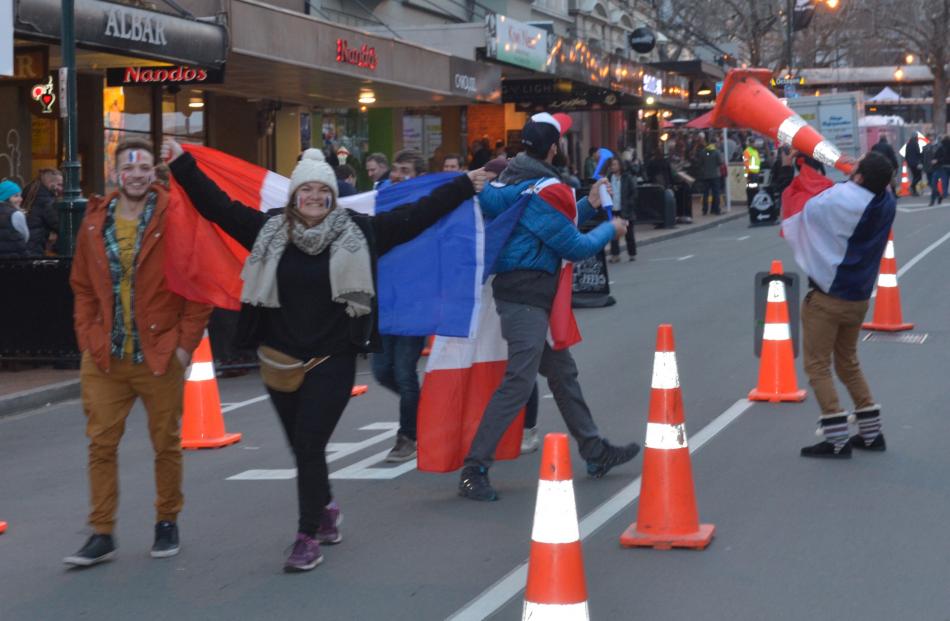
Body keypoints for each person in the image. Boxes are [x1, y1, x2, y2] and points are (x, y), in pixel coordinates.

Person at [162, 138, 485, 571]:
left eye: (322, 191)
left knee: (311, 445)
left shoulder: (360, 231)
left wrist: (464, 184)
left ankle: (305, 536)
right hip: (278, 360)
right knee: (303, 448)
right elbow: (216, 206)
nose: (314, 198)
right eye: (306, 191)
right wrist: (182, 164)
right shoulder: (268, 230)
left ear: (333, 195)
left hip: (332, 360)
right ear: (295, 195)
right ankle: (325, 508)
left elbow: (416, 215)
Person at [458, 112, 640, 501]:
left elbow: (546, 219)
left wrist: (588, 205)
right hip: (525, 298)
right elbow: (573, 244)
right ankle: (474, 467)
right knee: (520, 381)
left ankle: (594, 450)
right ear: (554, 148)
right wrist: (611, 228)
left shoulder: (515, 178)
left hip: (523, 295)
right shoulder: (543, 188)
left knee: (563, 373)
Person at [64, 137, 213, 567]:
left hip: (160, 354)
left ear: (155, 172)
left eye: (144, 167)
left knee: (165, 443)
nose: (136, 174)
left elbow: (197, 286)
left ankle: (167, 521)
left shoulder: (177, 217)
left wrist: (184, 347)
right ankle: (101, 532)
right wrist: (88, 335)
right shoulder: (94, 220)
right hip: (106, 357)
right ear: (116, 173)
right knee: (100, 445)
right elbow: (82, 286)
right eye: (129, 167)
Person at [782, 151, 896, 459]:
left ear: (859, 177)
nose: (853, 165)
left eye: (857, 165)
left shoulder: (843, 200)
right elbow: (855, 184)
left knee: (817, 366)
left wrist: (804, 166)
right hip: (858, 297)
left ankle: (835, 439)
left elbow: (808, 205)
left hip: (828, 296)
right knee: (848, 362)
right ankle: (871, 434)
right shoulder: (886, 201)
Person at [372, 148, 430, 463]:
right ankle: (422, 410)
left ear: (419, 176)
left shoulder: (430, 206)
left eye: (404, 170)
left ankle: (407, 436)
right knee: (381, 370)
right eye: (395, 169)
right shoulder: (381, 199)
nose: (397, 175)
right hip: (386, 299)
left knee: (405, 372)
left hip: (415, 301)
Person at [22, 168, 62, 255]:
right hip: (35, 246)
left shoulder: (31, 190)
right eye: (59, 184)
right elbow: (58, 224)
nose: (60, 188)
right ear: (50, 183)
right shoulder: (46, 201)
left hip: (26, 243)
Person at [606, 156, 638, 263]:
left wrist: (629, 204)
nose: (613, 167)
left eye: (615, 164)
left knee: (629, 233)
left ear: (620, 166)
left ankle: (632, 253)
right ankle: (615, 254)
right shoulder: (609, 177)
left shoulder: (627, 177)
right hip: (614, 209)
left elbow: (633, 193)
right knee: (614, 233)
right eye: (612, 165)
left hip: (625, 209)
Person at [0, 180, 29, 257]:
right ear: (5, 197)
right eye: (16, 196)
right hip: (14, 261)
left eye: (20, 195)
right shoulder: (16, 214)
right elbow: (25, 237)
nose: (21, 199)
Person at [696, 135, 723, 215]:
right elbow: (720, 162)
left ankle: (704, 210)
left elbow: (700, 163)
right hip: (715, 175)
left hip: (705, 175)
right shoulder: (717, 152)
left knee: (705, 193)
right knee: (716, 193)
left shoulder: (703, 152)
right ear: (715, 143)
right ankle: (716, 209)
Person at [929, 136, 950, 206]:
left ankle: (933, 200)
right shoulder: (941, 147)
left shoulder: (940, 147)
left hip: (940, 168)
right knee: (944, 184)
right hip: (942, 167)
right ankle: (942, 195)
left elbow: (935, 157)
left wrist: (936, 160)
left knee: (934, 184)